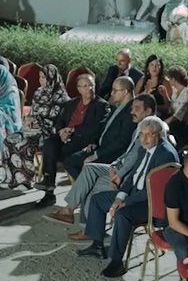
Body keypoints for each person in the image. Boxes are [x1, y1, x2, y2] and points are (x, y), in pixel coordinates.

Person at [77, 116, 182, 274]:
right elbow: (133, 177)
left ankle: (116, 262)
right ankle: (97, 246)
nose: (143, 139)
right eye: (141, 134)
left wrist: (125, 203)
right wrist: (119, 198)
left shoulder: (165, 155)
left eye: (148, 134)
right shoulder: (143, 148)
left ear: (159, 135)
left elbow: (153, 191)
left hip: (152, 203)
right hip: (136, 194)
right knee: (97, 200)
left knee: (123, 214)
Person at [58, 93, 160, 228]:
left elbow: (134, 158)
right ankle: (69, 211)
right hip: (119, 166)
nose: (132, 112)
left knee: (93, 185)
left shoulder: (150, 131)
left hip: (129, 177)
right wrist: (114, 165)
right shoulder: (141, 125)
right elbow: (128, 153)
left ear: (148, 111)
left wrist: (119, 174)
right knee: (89, 169)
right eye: (132, 108)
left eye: (137, 109)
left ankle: (86, 228)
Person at [35, 72, 109, 201]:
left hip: (82, 140)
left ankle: (50, 189)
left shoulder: (101, 105)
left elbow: (96, 128)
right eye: (84, 86)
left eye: (91, 85)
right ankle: (49, 183)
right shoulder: (71, 103)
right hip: (65, 137)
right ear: (78, 89)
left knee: (56, 153)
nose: (89, 89)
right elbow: (60, 121)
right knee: (50, 143)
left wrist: (73, 130)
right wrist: (61, 132)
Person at [6, 63, 68, 192]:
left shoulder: (61, 97)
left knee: (23, 144)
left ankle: (26, 180)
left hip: (49, 134)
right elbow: (32, 113)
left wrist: (40, 125)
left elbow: (59, 123)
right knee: (9, 140)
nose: (40, 80)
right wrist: (30, 121)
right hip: (33, 130)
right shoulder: (39, 92)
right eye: (40, 77)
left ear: (51, 78)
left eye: (44, 77)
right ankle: (13, 178)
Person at [164, 66, 188, 145]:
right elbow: (171, 110)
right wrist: (164, 95)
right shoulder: (175, 90)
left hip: (186, 125)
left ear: (173, 79)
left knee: (165, 129)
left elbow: (179, 115)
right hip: (175, 121)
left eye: (169, 78)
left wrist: (163, 123)